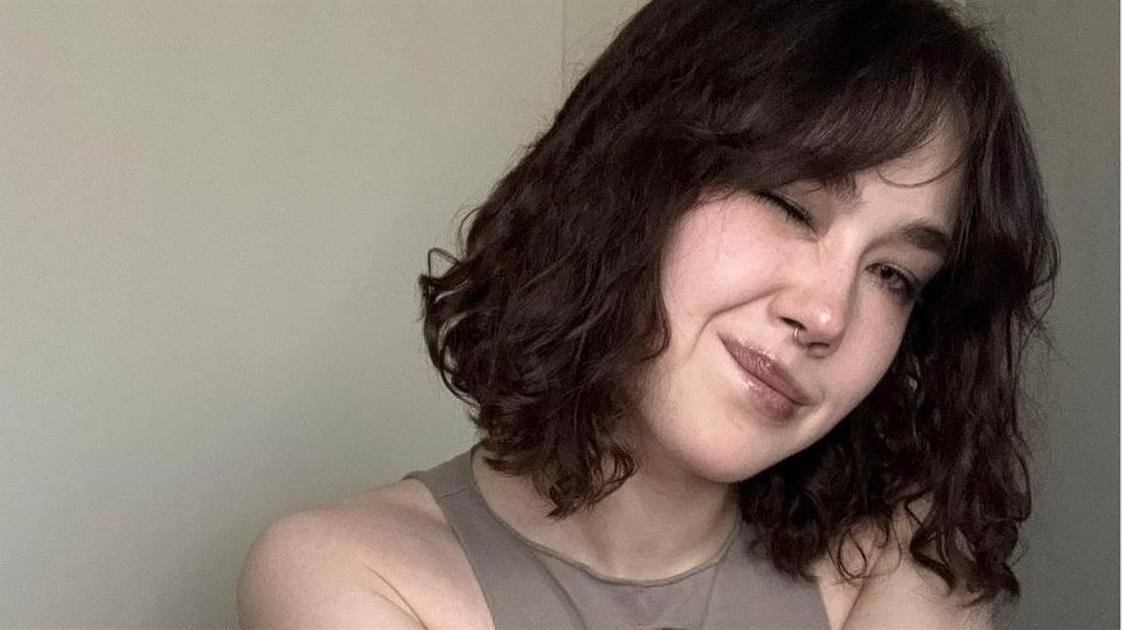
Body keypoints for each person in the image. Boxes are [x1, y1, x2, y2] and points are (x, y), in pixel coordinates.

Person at [237, 0, 1058, 627]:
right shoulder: (347, 573)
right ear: (632, 181)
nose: (825, 314)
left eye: (894, 275)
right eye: (789, 204)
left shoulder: (906, 559)